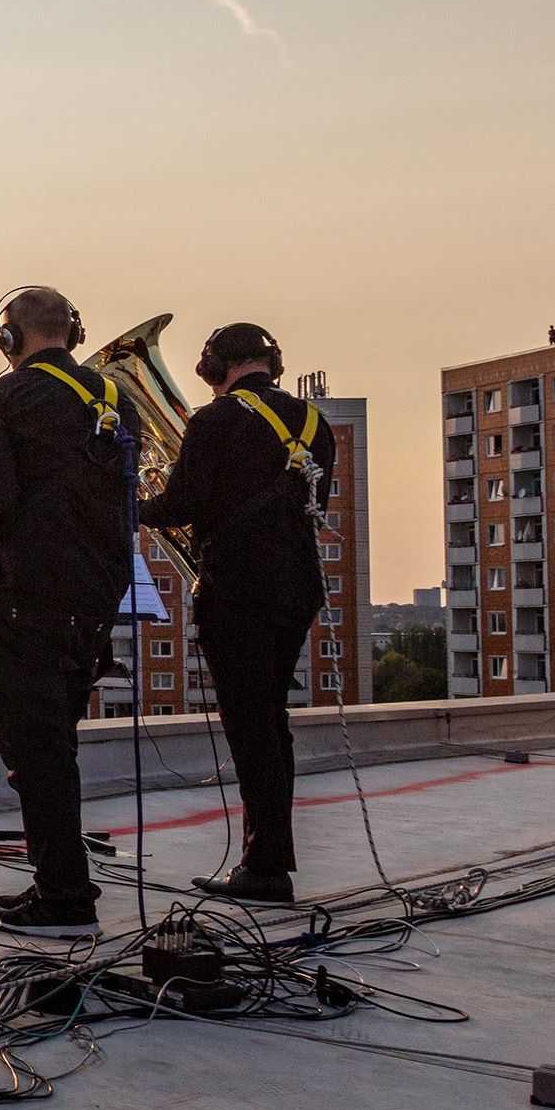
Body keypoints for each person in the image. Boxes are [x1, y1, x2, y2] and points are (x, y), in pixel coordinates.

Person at [0, 285, 139, 940]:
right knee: (57, 744)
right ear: (71, 333)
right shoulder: (111, 398)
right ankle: (60, 877)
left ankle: (67, 899)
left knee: (33, 750)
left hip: (28, 595)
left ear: (7, 339)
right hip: (96, 598)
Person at [136, 323, 333, 906]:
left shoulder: (214, 420)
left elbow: (180, 505)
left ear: (215, 364)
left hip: (238, 591)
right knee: (272, 723)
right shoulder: (314, 423)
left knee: (251, 730)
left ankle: (265, 870)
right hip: (297, 588)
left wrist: (127, 499)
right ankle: (269, 856)